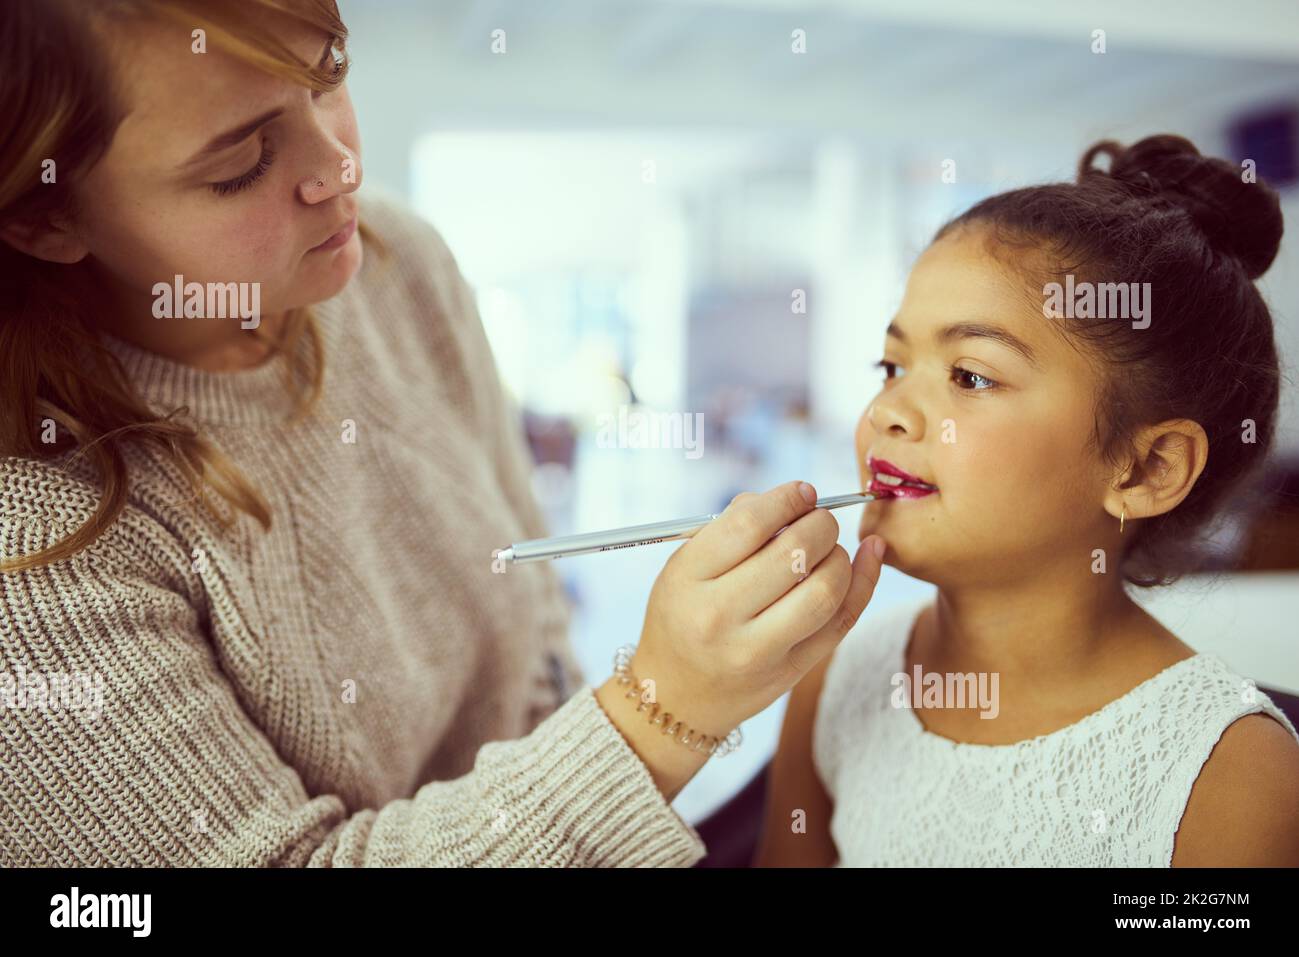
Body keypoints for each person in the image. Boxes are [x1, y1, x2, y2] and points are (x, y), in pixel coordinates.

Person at [0, 0, 888, 866]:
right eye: (240, 164)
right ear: (44, 217)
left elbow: (531, 616)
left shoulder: (393, 257)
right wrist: (664, 708)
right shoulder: (33, 553)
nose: (339, 171)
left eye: (327, 77)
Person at [756, 135, 1299, 867]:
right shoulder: (831, 683)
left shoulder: (1236, 776)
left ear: (1146, 467)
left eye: (971, 376)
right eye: (892, 364)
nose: (888, 410)